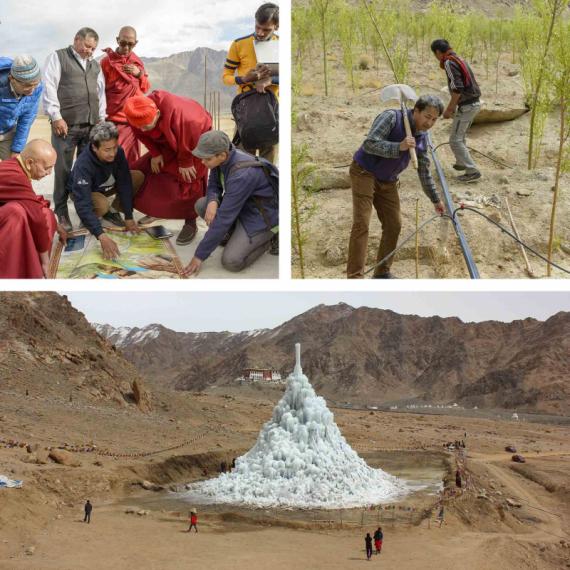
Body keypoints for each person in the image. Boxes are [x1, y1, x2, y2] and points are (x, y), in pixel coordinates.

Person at [347, 94, 445, 279]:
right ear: (416, 110)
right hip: (364, 172)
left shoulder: (423, 137)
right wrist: (398, 147)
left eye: (434, 119)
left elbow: (423, 171)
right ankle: (355, 277)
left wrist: (435, 199)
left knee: (394, 224)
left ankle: (382, 273)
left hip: (389, 180)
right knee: (362, 224)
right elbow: (370, 144)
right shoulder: (391, 117)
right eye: (427, 116)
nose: (430, 122)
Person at [183, 131, 278, 277]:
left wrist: (199, 256)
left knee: (231, 262)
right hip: (242, 206)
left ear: (221, 155)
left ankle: (268, 240)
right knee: (203, 205)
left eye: (206, 159)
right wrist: (213, 200)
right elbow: (213, 183)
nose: (203, 162)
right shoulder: (223, 158)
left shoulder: (243, 174)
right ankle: (232, 234)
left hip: (259, 217)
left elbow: (224, 219)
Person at [123, 92, 212, 245]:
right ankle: (157, 211)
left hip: (194, 142)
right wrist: (155, 152)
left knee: (189, 178)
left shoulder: (186, 116)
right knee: (151, 171)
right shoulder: (136, 113)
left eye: (146, 126)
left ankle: (190, 221)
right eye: (140, 126)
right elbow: (141, 133)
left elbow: (191, 136)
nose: (143, 130)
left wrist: (186, 161)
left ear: (157, 114)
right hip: (168, 140)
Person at [43, 27, 107, 231]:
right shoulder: (58, 57)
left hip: (90, 127)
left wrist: (101, 119)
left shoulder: (95, 66)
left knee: (86, 170)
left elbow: (101, 93)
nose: (90, 51)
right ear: (76, 40)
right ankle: (61, 212)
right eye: (87, 46)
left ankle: (84, 211)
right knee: (62, 170)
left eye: (93, 48)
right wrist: (56, 116)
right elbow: (50, 86)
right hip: (66, 126)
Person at [67, 121, 140, 260]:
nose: (112, 153)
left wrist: (129, 217)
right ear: (94, 147)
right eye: (107, 150)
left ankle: (113, 211)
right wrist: (101, 235)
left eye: (114, 147)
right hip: (84, 191)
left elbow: (124, 182)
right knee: (101, 205)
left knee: (136, 177)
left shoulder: (118, 152)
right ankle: (91, 219)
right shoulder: (83, 164)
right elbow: (83, 202)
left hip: (105, 185)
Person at [0, 139, 66, 278]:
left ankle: (29, 264)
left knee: (45, 213)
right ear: (30, 163)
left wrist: (57, 224)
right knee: (16, 211)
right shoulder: (16, 177)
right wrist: (45, 262)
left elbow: (32, 202)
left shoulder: (15, 166)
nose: (49, 173)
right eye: (47, 167)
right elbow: (37, 219)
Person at [223, 3, 279, 162]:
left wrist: (270, 80)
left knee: (268, 165)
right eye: (257, 27)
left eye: (266, 29)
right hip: (246, 111)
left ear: (277, 26)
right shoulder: (239, 44)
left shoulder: (281, 45)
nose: (260, 33)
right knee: (241, 162)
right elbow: (226, 77)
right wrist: (244, 79)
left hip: (271, 111)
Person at [431, 39, 481, 183]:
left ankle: (472, 171)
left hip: (467, 105)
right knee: (460, 136)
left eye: (435, 55)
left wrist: (449, 109)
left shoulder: (448, 62)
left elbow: (457, 89)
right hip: (474, 103)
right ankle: (461, 162)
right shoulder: (458, 58)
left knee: (455, 140)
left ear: (438, 52)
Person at [100, 26, 150, 163]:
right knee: (112, 158)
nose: (126, 48)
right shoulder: (106, 62)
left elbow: (145, 88)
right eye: (123, 43)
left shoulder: (137, 62)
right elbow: (100, 90)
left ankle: (129, 184)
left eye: (131, 44)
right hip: (113, 119)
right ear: (117, 40)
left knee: (131, 160)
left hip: (132, 121)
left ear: (136, 43)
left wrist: (139, 74)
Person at [0, 55, 43, 160]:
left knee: (15, 167)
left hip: (7, 130)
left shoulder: (37, 88)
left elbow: (26, 120)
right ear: (11, 79)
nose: (32, 90)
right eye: (27, 85)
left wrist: (16, 150)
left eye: (35, 84)